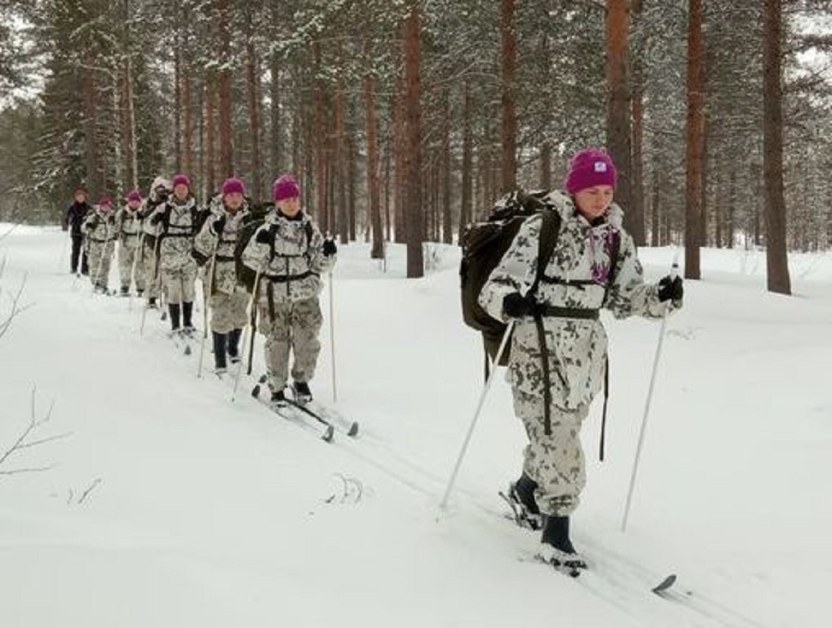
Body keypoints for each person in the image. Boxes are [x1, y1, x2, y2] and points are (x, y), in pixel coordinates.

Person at [478, 148, 684, 572]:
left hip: (586, 358)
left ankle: (525, 488)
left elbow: (627, 299)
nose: (600, 199)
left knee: (560, 434)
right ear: (574, 190)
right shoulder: (542, 228)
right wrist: (510, 301)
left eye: (607, 190)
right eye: (592, 190)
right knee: (560, 442)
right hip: (537, 351)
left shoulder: (615, 239)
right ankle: (557, 531)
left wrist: (661, 298)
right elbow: (493, 288)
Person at [241, 174, 337, 406]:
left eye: (294, 198)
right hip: (275, 296)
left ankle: (301, 381)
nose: (291, 203)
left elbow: (321, 266)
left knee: (307, 342)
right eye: (286, 200)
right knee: (278, 342)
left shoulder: (310, 229)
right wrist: (259, 245)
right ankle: (276, 386)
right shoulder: (268, 229)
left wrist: (328, 253)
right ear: (278, 203)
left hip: (305, 295)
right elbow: (250, 260)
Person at [193, 177, 255, 374]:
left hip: (241, 272)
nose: (235, 199)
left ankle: (232, 347)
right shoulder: (213, 217)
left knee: (239, 313)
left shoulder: (250, 217)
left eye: (238, 195)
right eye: (231, 195)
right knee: (220, 314)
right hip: (218, 272)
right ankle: (220, 359)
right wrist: (212, 231)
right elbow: (200, 246)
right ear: (224, 197)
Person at [147, 174, 207, 335]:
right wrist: (154, 222)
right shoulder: (164, 208)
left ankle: (187, 322)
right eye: (178, 188)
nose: (181, 191)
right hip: (170, 254)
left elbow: (204, 230)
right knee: (173, 290)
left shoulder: (196, 209)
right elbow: (148, 227)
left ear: (188, 189)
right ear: (174, 189)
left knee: (188, 290)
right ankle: (175, 325)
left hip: (189, 254)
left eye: (184, 188)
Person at [139, 177, 171, 309]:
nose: (161, 192)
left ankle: (169, 297)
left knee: (167, 269)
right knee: (152, 269)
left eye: (163, 189)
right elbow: (144, 219)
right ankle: (152, 297)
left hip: (168, 240)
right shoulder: (149, 203)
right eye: (159, 189)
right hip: (152, 239)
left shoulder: (170, 203)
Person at [82, 196, 117, 293]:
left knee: (105, 265)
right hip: (95, 243)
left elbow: (117, 228)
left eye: (107, 206)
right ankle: (96, 283)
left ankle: (104, 284)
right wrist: (88, 226)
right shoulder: (94, 216)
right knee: (95, 264)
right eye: (103, 206)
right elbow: (84, 228)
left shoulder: (113, 217)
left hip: (108, 244)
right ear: (100, 206)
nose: (105, 208)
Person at [115, 189, 145, 296]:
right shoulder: (122, 213)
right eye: (132, 201)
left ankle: (141, 287)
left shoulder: (144, 212)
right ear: (129, 202)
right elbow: (116, 226)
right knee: (124, 265)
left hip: (139, 241)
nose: (134, 203)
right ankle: (125, 285)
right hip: (125, 241)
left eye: (137, 201)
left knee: (140, 266)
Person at [62, 187, 91, 275]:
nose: (80, 198)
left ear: (85, 197)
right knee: (75, 250)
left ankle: (85, 269)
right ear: (76, 197)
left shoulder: (88, 207)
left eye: (82, 196)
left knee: (86, 251)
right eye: (78, 196)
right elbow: (67, 218)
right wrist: (68, 220)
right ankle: (74, 267)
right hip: (75, 231)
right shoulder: (72, 207)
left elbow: (92, 218)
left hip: (85, 232)